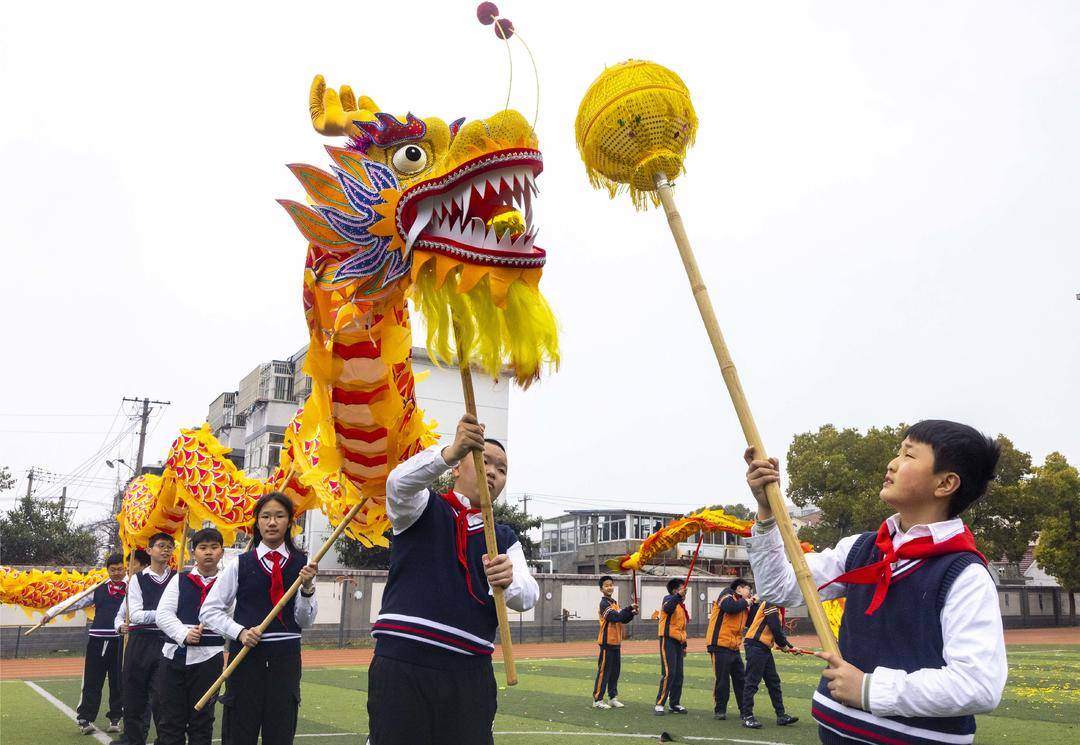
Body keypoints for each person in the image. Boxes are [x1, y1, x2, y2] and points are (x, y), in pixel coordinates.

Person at [744, 419, 1008, 745]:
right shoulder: (861, 548)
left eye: (909, 456)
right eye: (899, 452)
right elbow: (778, 589)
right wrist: (766, 513)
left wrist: (869, 689)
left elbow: (978, 685)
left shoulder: (965, 575)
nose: (893, 463)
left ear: (946, 483)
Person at [366, 414, 540, 745]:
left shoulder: (504, 538)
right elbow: (397, 483)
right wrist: (450, 450)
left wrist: (509, 580)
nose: (492, 472)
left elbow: (527, 595)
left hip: (470, 672)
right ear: (457, 467)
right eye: (484, 460)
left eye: (502, 470)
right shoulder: (420, 508)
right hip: (403, 662)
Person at [200, 492, 318, 745]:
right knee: (240, 731)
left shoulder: (304, 564)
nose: (272, 522)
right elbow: (208, 611)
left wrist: (307, 587)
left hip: (286, 660)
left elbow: (304, 621)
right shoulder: (239, 564)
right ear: (257, 522)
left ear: (289, 522)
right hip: (246, 659)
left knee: (280, 732)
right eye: (266, 516)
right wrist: (240, 632)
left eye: (279, 516)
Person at [42, 553, 128, 736]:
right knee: (92, 680)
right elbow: (75, 602)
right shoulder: (98, 588)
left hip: (122, 641)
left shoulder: (133, 588)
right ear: (107, 570)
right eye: (113, 570)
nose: (117, 573)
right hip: (98, 639)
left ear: (125, 568)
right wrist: (51, 613)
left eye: (120, 569)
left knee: (119, 681)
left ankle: (115, 718)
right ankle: (85, 719)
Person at [155, 528, 227, 745]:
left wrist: (215, 624)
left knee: (202, 720)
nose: (208, 553)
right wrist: (184, 633)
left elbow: (232, 619)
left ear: (222, 552)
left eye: (214, 548)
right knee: (170, 720)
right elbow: (163, 614)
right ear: (193, 552)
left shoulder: (228, 583)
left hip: (209, 659)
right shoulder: (179, 580)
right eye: (203, 548)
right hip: (173, 658)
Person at [114, 533, 176, 745]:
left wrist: (162, 617)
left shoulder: (178, 579)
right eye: (160, 545)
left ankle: (166, 740)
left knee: (164, 697)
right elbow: (136, 616)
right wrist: (166, 615)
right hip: (140, 641)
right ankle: (133, 739)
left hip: (168, 642)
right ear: (149, 550)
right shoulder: (136, 580)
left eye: (169, 546)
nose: (165, 550)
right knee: (134, 693)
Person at [740, 600, 799, 729]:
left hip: (763, 647)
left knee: (773, 681)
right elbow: (775, 627)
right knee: (752, 682)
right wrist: (784, 645)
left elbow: (777, 630)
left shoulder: (776, 607)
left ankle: (781, 715)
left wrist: (790, 647)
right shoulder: (770, 603)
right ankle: (747, 716)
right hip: (756, 645)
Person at [704, 578, 753, 721]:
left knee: (740, 679)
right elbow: (730, 607)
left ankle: (744, 710)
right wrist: (748, 602)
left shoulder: (743, 605)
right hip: (719, 645)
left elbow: (750, 622)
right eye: (748, 589)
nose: (750, 593)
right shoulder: (726, 595)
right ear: (739, 589)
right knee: (722, 680)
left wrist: (754, 604)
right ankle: (720, 710)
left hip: (733, 646)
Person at [592, 575, 638, 709]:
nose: (609, 587)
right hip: (607, 642)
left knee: (615, 672)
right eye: (606, 585)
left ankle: (612, 697)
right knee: (604, 671)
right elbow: (615, 617)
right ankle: (597, 699)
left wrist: (631, 613)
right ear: (601, 589)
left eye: (611, 584)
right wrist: (629, 608)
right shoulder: (604, 604)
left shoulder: (614, 602)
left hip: (616, 642)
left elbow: (623, 619)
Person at [654, 577, 689, 716]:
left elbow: (681, 627)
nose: (685, 592)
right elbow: (667, 608)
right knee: (669, 673)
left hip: (678, 642)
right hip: (667, 640)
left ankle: (674, 703)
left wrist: (684, 643)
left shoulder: (681, 606)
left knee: (679, 674)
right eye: (682, 589)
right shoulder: (668, 599)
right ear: (675, 590)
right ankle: (659, 703)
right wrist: (678, 596)